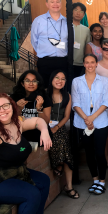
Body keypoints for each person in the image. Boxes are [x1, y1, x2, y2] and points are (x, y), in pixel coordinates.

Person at [72, 54, 108, 195]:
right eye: (87, 62)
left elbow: (106, 102)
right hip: (82, 122)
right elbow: (75, 103)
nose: (89, 65)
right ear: (83, 64)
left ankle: (102, 181)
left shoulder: (104, 81)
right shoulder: (76, 81)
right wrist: (86, 119)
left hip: (100, 121)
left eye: (92, 62)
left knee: (100, 153)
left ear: (96, 64)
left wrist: (92, 118)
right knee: (89, 153)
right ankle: (94, 180)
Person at [47, 70, 79, 199]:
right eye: (57, 78)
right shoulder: (44, 94)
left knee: (62, 140)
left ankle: (60, 166)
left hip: (59, 127)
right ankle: (68, 186)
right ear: (51, 79)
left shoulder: (67, 96)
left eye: (63, 79)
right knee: (66, 148)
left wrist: (56, 127)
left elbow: (66, 117)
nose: (60, 81)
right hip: (44, 126)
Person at [31, 0, 70, 88]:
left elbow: (69, 42)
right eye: (52, 2)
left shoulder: (67, 22)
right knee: (45, 90)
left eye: (57, 1)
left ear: (61, 4)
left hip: (63, 62)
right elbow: (34, 41)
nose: (55, 4)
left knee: (62, 91)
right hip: (45, 62)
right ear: (47, 4)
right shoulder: (38, 21)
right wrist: (45, 50)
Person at [10, 70, 52, 144]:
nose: (31, 84)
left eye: (34, 81)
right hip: (20, 137)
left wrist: (39, 109)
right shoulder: (14, 98)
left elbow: (46, 122)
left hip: (39, 136)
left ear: (38, 84)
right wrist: (19, 108)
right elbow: (11, 121)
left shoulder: (44, 98)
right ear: (22, 83)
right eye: (27, 81)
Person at [72, 2, 91, 79]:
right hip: (66, 62)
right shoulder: (65, 27)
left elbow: (87, 46)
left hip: (80, 64)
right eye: (76, 10)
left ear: (83, 15)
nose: (78, 13)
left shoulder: (86, 30)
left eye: (81, 12)